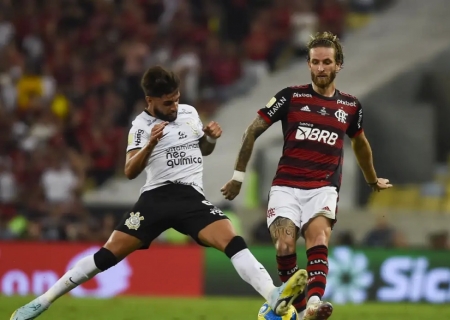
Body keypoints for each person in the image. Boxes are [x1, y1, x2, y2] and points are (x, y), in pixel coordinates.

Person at [10, 66, 308, 320]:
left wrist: (210, 138)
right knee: (107, 255)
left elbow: (201, 151)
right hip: (156, 198)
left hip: (191, 197)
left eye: (176, 99)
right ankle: (43, 301)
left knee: (232, 240)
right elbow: (129, 171)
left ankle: (273, 297)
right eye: (167, 103)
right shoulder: (140, 127)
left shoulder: (189, 113)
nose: (174, 107)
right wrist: (151, 145)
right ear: (150, 100)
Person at [221, 32, 392, 320]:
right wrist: (238, 176)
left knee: (318, 239)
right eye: (315, 62)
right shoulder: (290, 96)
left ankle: (313, 304)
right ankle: (301, 313)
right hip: (286, 186)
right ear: (309, 64)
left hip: (323, 187)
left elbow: (360, 144)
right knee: (285, 244)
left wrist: (372, 179)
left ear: (339, 65)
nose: (321, 68)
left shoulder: (350, 106)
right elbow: (252, 130)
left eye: (327, 62)